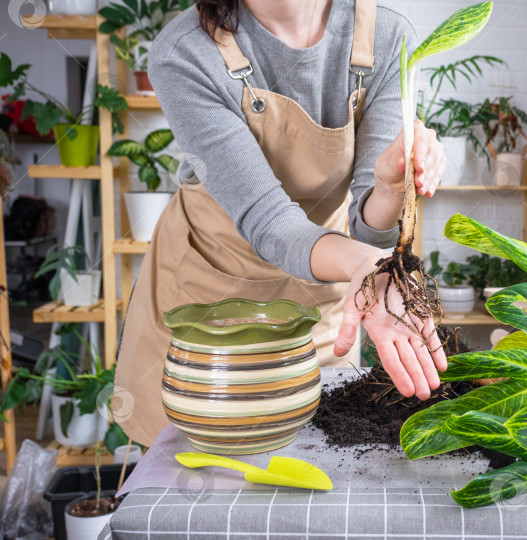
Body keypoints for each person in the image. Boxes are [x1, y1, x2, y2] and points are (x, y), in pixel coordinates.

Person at [114, 0, 448, 446]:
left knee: (318, 458)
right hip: (211, 307)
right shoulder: (184, 52)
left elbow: (369, 229)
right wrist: (371, 265)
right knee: (206, 482)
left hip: (324, 289)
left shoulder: (387, 37)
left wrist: (388, 191)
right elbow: (269, 219)